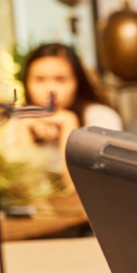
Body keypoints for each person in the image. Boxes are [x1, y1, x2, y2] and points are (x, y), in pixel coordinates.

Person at [17, 43, 123, 189]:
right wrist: (24, 128)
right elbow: (26, 189)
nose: (50, 90)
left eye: (61, 79)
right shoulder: (20, 120)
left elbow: (80, 188)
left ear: (78, 82)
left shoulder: (101, 118)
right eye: (40, 80)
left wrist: (68, 124)